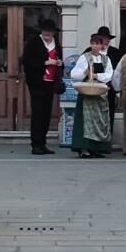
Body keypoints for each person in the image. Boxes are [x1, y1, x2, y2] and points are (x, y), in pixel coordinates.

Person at [70, 34, 115, 158]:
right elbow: (74, 73)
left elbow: (109, 74)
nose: (95, 46)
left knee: (100, 120)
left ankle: (97, 148)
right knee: (86, 121)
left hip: (100, 93)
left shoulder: (106, 59)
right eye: (93, 43)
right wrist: (84, 72)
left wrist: (97, 76)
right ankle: (84, 147)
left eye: (97, 44)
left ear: (102, 45)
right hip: (87, 93)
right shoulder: (85, 58)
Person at [22, 19, 62, 155]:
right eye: (45, 33)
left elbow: (59, 58)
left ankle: (43, 143)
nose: (47, 36)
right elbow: (26, 61)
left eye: (49, 34)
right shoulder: (33, 42)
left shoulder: (56, 43)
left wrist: (58, 63)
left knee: (46, 114)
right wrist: (45, 62)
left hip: (50, 82)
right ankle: (36, 144)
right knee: (38, 113)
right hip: (37, 83)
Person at [96, 26, 122, 137]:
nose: (105, 40)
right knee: (96, 114)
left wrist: (117, 87)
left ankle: (107, 138)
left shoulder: (115, 52)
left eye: (107, 38)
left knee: (109, 113)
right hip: (95, 89)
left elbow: (119, 71)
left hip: (110, 88)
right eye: (103, 38)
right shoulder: (90, 51)